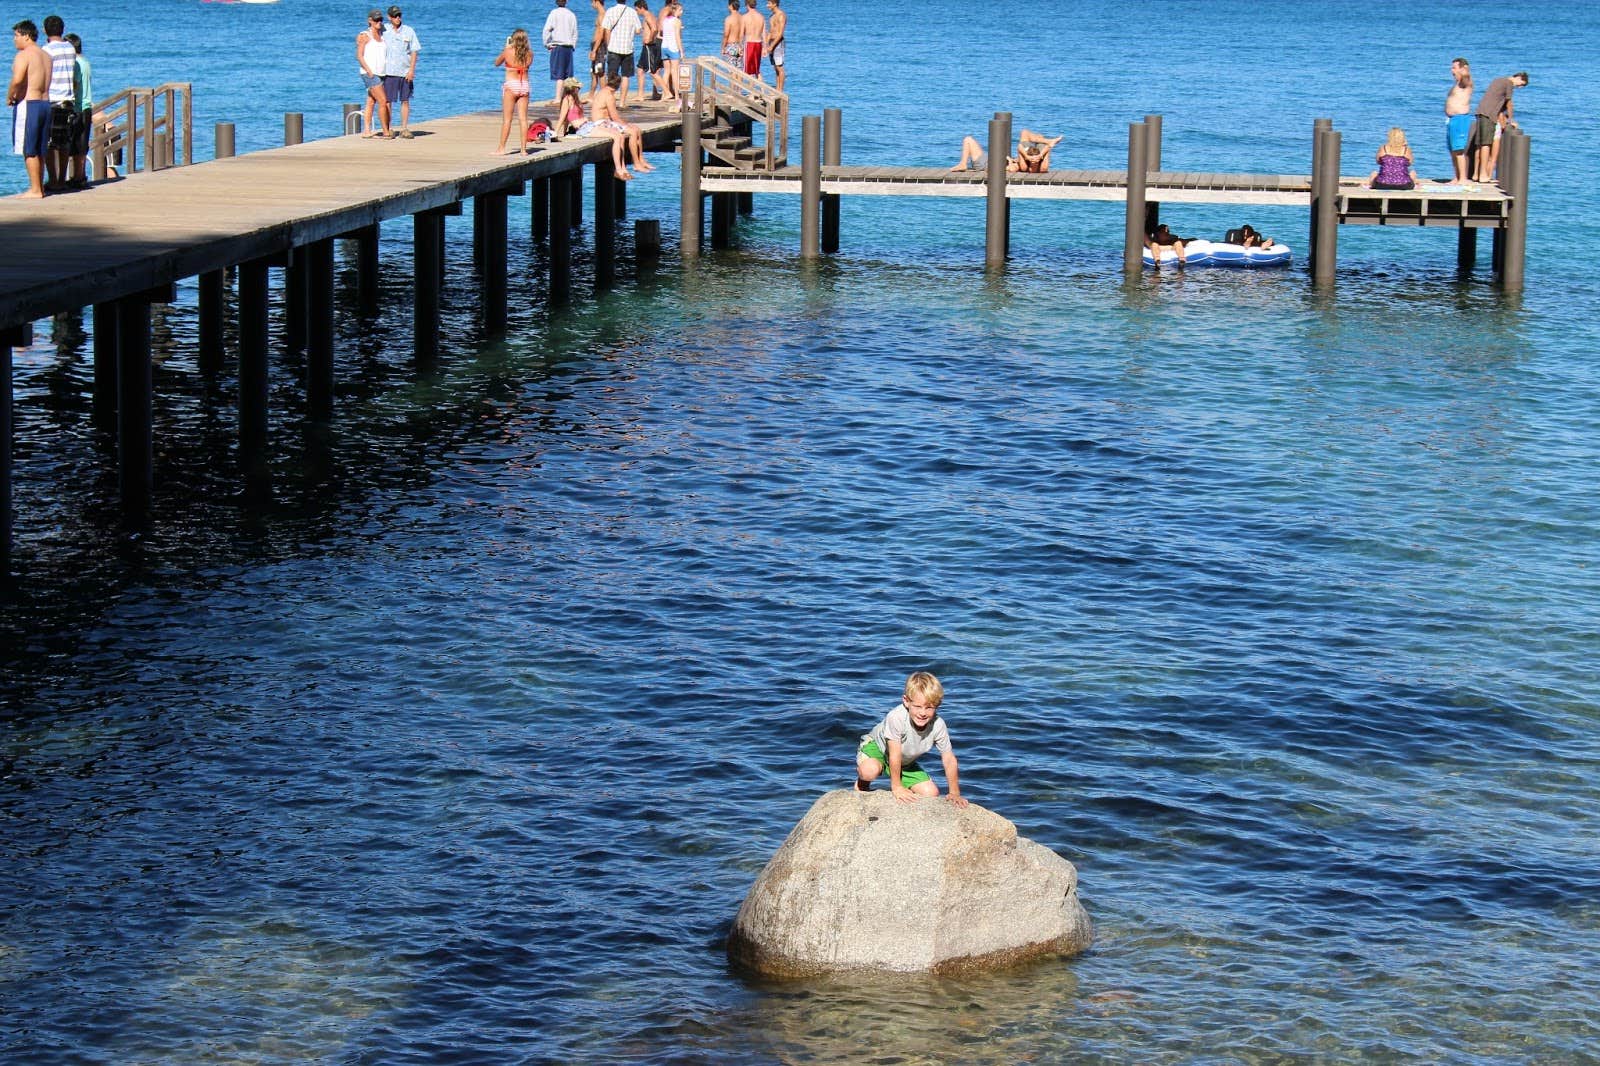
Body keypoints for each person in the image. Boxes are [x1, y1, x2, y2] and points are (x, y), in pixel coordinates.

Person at [854, 672, 967, 806]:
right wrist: (897, 787)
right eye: (918, 706)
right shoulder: (896, 717)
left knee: (930, 793)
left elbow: (948, 759)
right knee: (869, 771)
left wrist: (954, 792)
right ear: (906, 701)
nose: (923, 713)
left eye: (929, 707)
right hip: (877, 749)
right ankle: (862, 783)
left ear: (937, 706)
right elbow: (894, 754)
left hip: (904, 761)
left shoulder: (938, 725)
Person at [8, 19, 50, 198]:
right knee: (40, 148)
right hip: (45, 104)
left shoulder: (24, 55)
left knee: (29, 148)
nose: (14, 40)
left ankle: (35, 190)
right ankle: (39, 187)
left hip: (29, 103)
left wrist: (10, 96)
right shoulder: (45, 55)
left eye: (16, 35)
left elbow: (18, 79)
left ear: (26, 36)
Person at [1472, 71, 1527, 183]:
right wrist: (1511, 120)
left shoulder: (1498, 80)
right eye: (1521, 84)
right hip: (1489, 114)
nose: (1520, 87)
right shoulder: (1509, 83)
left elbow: (1496, 100)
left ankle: (1476, 174)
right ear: (1518, 77)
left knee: (1479, 145)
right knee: (1486, 144)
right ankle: (1483, 175)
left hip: (1480, 112)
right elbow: (1509, 103)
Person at [41, 15, 74, 191]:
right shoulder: (69, 48)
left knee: (49, 143)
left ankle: (53, 179)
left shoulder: (46, 50)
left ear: (45, 30)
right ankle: (62, 178)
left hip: (52, 98)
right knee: (64, 142)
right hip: (68, 99)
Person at [382, 5, 420, 139]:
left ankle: (404, 128)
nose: (397, 18)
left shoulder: (409, 31)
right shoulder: (384, 30)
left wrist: (412, 70)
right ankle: (389, 128)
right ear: (389, 17)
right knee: (388, 101)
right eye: (394, 16)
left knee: (405, 100)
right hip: (388, 72)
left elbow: (415, 51)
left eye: (399, 15)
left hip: (405, 72)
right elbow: (370, 33)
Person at [493, 29, 533, 154]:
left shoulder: (508, 51)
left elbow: (496, 63)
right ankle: (523, 150)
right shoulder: (530, 54)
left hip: (511, 85)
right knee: (523, 119)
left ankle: (501, 148)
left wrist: (506, 47)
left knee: (507, 119)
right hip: (524, 85)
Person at [357, 11, 391, 138]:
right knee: (383, 100)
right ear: (370, 20)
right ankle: (386, 131)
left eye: (380, 20)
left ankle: (366, 130)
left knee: (371, 101)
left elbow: (394, 26)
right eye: (376, 20)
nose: (379, 22)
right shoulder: (365, 35)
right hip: (369, 73)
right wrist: (369, 71)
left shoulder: (382, 35)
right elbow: (359, 55)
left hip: (382, 73)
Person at [601, 0, 641, 107]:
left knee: (611, 76)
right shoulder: (632, 12)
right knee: (625, 76)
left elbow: (606, 30)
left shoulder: (610, 11)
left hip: (613, 48)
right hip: (628, 49)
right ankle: (622, 102)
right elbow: (638, 30)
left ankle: (610, 101)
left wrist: (608, 45)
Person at [542, 0, 579, 105]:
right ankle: (566, 97)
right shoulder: (571, 14)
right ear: (566, 1)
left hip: (558, 46)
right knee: (567, 74)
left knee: (559, 74)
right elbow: (575, 32)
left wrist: (547, 44)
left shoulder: (554, 13)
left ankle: (558, 98)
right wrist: (573, 46)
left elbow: (547, 30)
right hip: (568, 47)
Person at [63, 32, 88, 187]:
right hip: (86, 106)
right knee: (81, 144)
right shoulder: (85, 61)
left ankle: (77, 176)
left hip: (78, 106)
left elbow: (75, 84)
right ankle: (79, 176)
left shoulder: (76, 63)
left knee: (75, 144)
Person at [1445, 57, 1472, 183]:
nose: (1452, 70)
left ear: (1462, 68)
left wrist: (1465, 70)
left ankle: (1463, 178)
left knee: (1459, 150)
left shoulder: (1465, 82)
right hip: (1451, 120)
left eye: (1454, 68)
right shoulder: (1456, 84)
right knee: (1452, 150)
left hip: (1460, 119)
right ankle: (1456, 177)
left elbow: (1466, 78)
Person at [634, 1, 664, 102]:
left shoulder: (648, 16)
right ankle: (640, 95)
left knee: (653, 72)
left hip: (649, 46)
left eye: (637, 9)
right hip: (646, 46)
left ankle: (667, 91)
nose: (636, 11)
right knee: (640, 70)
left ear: (642, 7)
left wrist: (650, 39)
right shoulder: (648, 16)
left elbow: (655, 29)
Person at [658, 1, 683, 103]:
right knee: (675, 72)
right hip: (673, 47)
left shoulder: (665, 20)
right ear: (675, 10)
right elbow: (677, 37)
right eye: (680, 10)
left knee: (666, 72)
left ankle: (664, 95)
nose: (682, 12)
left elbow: (662, 33)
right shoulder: (677, 21)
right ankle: (676, 95)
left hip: (664, 46)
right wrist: (681, 50)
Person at [764, 0, 786, 93]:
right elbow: (770, 32)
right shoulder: (771, 16)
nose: (767, 5)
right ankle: (777, 88)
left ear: (774, 4)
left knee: (779, 67)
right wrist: (766, 45)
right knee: (775, 67)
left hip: (778, 43)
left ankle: (780, 90)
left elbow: (780, 33)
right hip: (771, 42)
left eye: (769, 3)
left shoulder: (781, 15)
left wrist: (772, 46)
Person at [740, 0, 765, 79]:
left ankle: (739, 91)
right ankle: (762, 90)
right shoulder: (761, 17)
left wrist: (740, 47)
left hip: (749, 44)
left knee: (744, 69)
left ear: (747, 5)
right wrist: (765, 47)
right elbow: (764, 34)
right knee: (756, 70)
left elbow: (741, 34)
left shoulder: (744, 17)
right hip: (758, 43)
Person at [587, 0, 607, 96]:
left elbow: (601, 34)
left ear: (596, 1)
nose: (591, 5)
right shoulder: (600, 14)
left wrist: (594, 50)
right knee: (594, 72)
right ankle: (591, 95)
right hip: (596, 46)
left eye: (592, 2)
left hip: (599, 46)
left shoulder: (602, 15)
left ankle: (604, 94)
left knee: (600, 71)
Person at [721, 0, 742, 68]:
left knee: (732, 70)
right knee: (739, 70)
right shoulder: (743, 18)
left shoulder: (729, 19)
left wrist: (723, 47)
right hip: (740, 46)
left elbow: (726, 34)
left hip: (731, 46)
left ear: (730, 6)